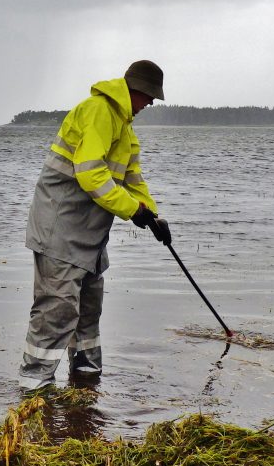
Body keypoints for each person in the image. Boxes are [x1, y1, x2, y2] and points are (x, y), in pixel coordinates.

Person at [18, 59, 171, 391]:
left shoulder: (125, 128)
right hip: (60, 228)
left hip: (89, 235)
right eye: (149, 97)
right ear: (136, 90)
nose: (149, 104)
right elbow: (91, 173)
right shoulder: (99, 111)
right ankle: (34, 388)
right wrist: (133, 211)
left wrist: (153, 215)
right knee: (56, 309)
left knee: (88, 310)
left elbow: (133, 180)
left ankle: (86, 382)